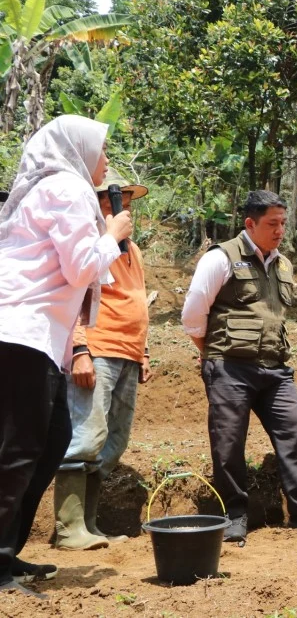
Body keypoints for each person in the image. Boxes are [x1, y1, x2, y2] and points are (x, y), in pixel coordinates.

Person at [0, 116, 132, 596]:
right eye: (101, 152)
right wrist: (114, 234)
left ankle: (7, 550)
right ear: (78, 151)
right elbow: (80, 269)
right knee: (18, 452)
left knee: (49, 443)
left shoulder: (53, 188)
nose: (105, 164)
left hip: (38, 339)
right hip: (22, 331)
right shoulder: (65, 187)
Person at [181, 190, 297, 543]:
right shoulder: (220, 258)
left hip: (274, 368)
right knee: (228, 444)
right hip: (229, 368)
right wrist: (213, 352)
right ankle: (235, 515)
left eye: (283, 223)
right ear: (250, 224)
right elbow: (193, 316)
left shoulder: (283, 264)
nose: (280, 230)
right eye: (272, 224)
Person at [56, 176, 154, 550]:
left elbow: (136, 299)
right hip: (97, 349)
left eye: (126, 200)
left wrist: (143, 352)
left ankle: (90, 526)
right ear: (95, 204)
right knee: (86, 437)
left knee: (113, 441)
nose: (122, 207)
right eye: (114, 200)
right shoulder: (89, 246)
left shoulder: (133, 249)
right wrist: (80, 350)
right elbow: (73, 297)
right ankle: (69, 529)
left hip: (127, 353)